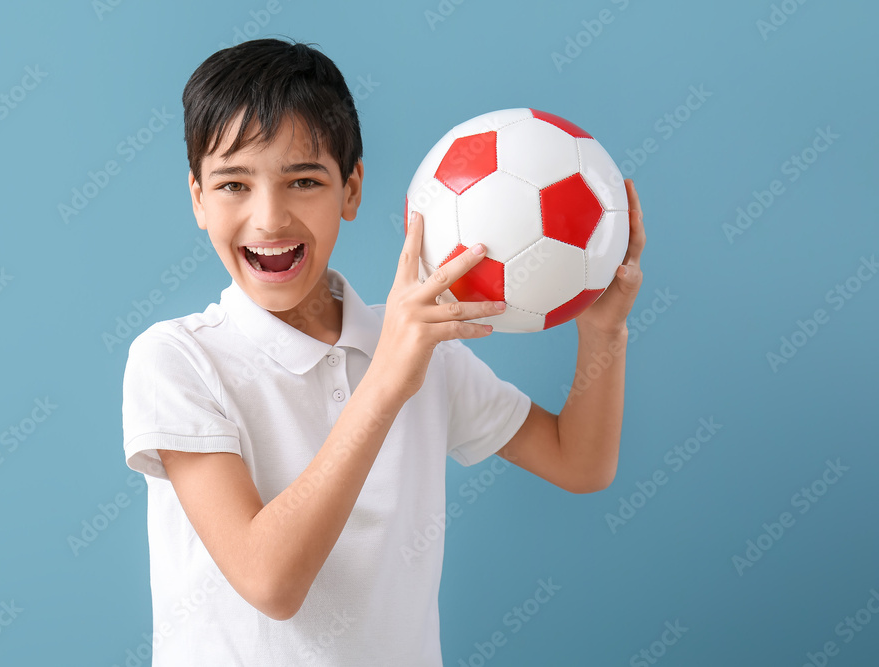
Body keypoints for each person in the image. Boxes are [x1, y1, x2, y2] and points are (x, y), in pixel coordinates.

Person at [122, 37, 646, 666]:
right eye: (233, 184)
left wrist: (603, 332)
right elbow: (270, 582)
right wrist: (388, 379)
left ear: (351, 190)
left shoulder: (422, 342)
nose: (269, 218)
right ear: (198, 200)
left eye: (304, 181)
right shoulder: (177, 359)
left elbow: (580, 464)